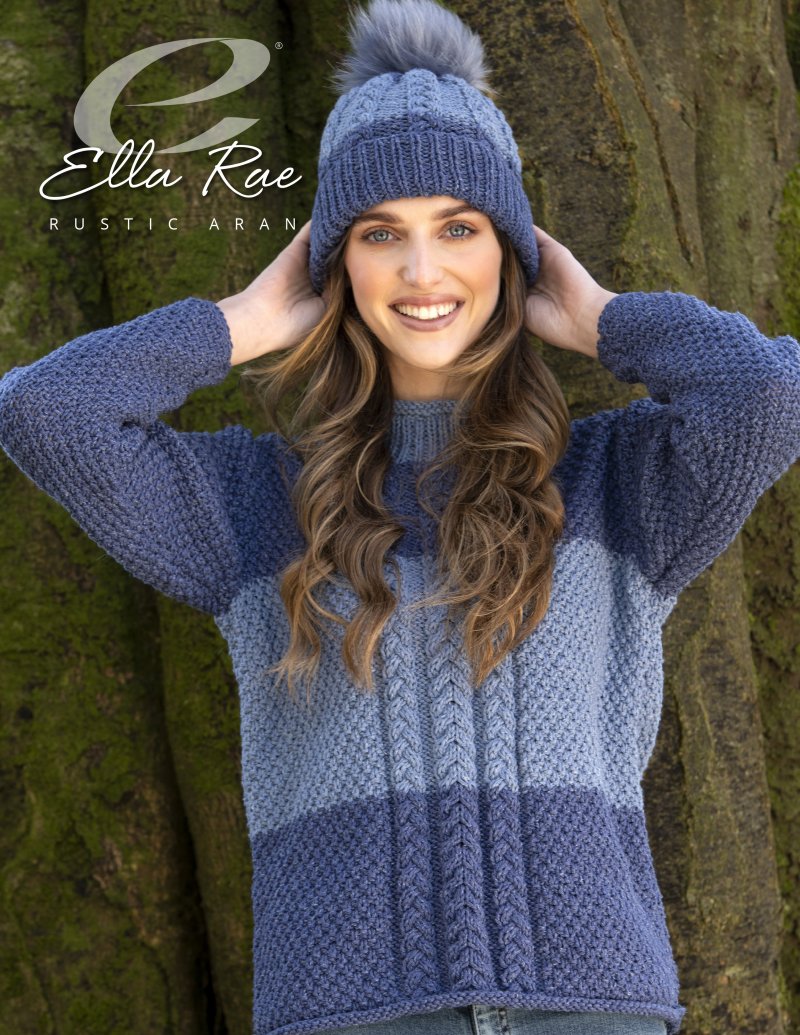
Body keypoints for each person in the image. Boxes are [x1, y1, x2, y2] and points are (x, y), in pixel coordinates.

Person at [1, 0, 799, 1034]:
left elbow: (766, 396)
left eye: (459, 228)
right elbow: (45, 413)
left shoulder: (617, 484)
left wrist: (601, 317)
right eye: (382, 234)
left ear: (512, 251)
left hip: (591, 1007)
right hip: (351, 1013)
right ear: (335, 263)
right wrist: (244, 321)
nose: (423, 273)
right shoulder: (254, 502)